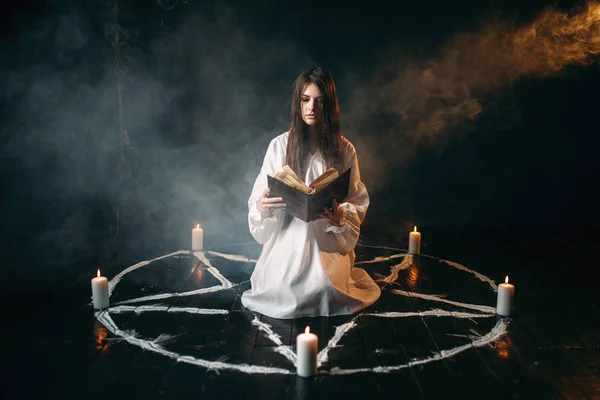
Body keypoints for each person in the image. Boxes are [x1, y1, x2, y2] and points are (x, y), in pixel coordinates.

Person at [241, 67, 381, 319]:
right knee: (281, 288)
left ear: (329, 105)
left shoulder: (344, 149)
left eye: (319, 101)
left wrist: (339, 215)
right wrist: (263, 208)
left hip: (325, 241)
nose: (311, 108)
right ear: (298, 103)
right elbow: (259, 197)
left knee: (324, 288)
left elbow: (357, 201)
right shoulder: (279, 145)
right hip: (287, 240)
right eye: (305, 100)